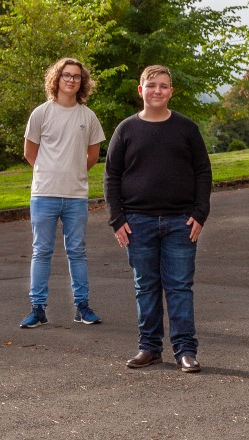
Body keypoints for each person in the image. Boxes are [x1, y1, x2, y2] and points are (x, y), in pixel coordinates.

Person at [104, 65, 212, 373]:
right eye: (151, 85)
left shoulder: (186, 128)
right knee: (146, 286)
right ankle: (149, 348)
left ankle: (185, 351)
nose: (157, 91)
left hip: (181, 221)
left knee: (179, 287)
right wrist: (117, 219)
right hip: (137, 222)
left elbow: (203, 172)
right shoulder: (125, 130)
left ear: (171, 92)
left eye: (164, 86)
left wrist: (199, 213)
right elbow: (111, 176)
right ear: (141, 90)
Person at [20, 57, 105, 328]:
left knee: (77, 252)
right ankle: (38, 309)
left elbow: (93, 155)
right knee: (41, 251)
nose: (71, 80)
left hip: (76, 196)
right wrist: (50, 172)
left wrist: (73, 171)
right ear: (56, 79)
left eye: (76, 76)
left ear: (82, 82)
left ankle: (82, 307)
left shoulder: (88, 116)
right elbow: (29, 152)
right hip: (44, 194)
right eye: (66, 75)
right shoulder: (41, 113)